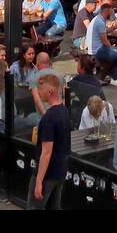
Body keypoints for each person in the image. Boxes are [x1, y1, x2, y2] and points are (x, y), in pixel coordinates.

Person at [32, 72, 71, 209]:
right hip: (60, 170)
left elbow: (46, 152)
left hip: (48, 174)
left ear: (50, 91)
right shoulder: (65, 111)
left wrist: (38, 181)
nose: (39, 92)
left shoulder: (49, 118)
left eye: (41, 89)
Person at [88, 2, 117, 86]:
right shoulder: (99, 22)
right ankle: (115, 78)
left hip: (96, 49)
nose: (112, 15)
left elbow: (105, 31)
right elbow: (105, 41)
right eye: (111, 12)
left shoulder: (98, 19)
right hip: (97, 51)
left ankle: (113, 74)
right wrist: (112, 49)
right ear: (106, 12)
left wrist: (115, 27)